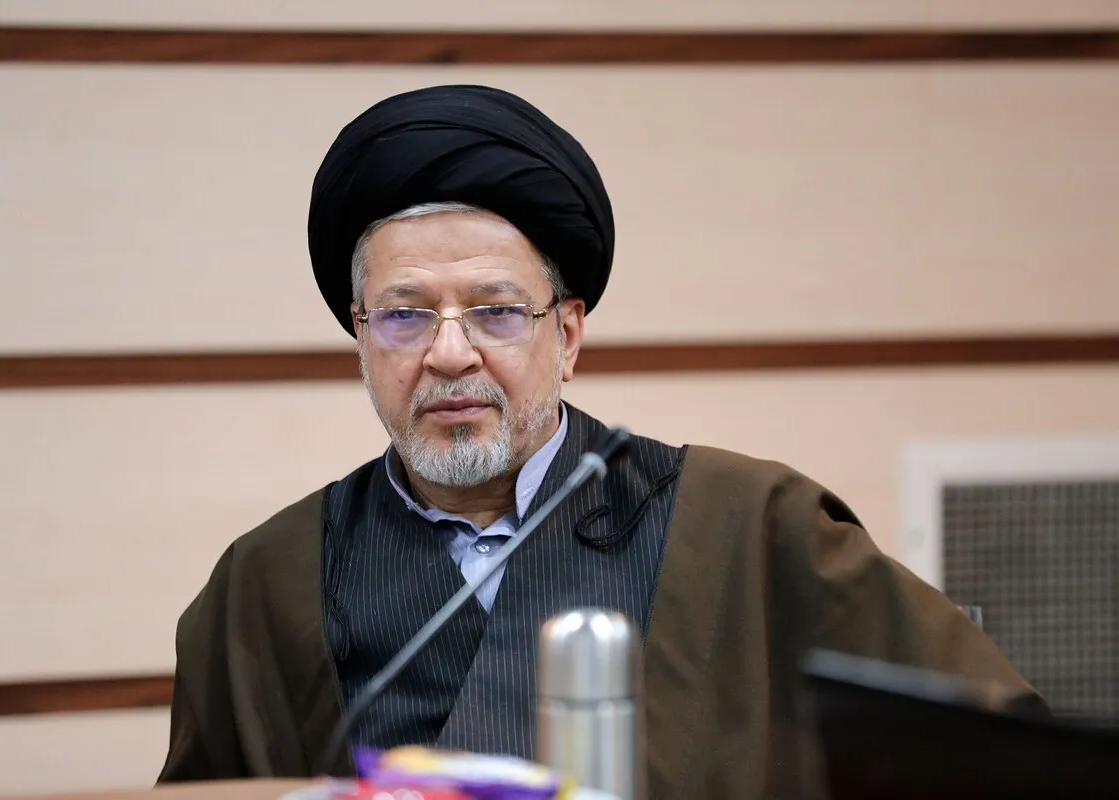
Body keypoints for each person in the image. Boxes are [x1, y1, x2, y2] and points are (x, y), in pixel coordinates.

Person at [157, 84, 1041, 798]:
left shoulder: (745, 524)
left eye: (497, 310)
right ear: (362, 336)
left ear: (568, 335)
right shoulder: (266, 583)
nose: (449, 353)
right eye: (405, 315)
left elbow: (1004, 758)